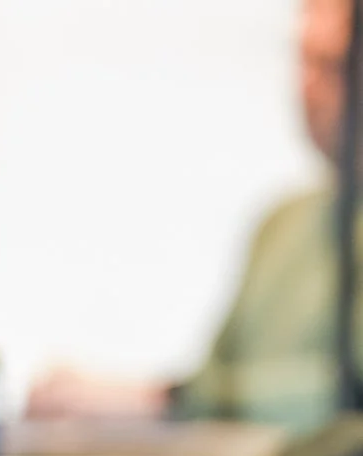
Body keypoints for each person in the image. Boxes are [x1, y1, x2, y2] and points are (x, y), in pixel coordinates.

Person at [32, 0, 355, 428]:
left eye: (331, 65)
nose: (308, 88)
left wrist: (167, 399)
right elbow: (214, 383)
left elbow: (342, 396)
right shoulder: (283, 224)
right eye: (303, 62)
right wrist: (139, 398)